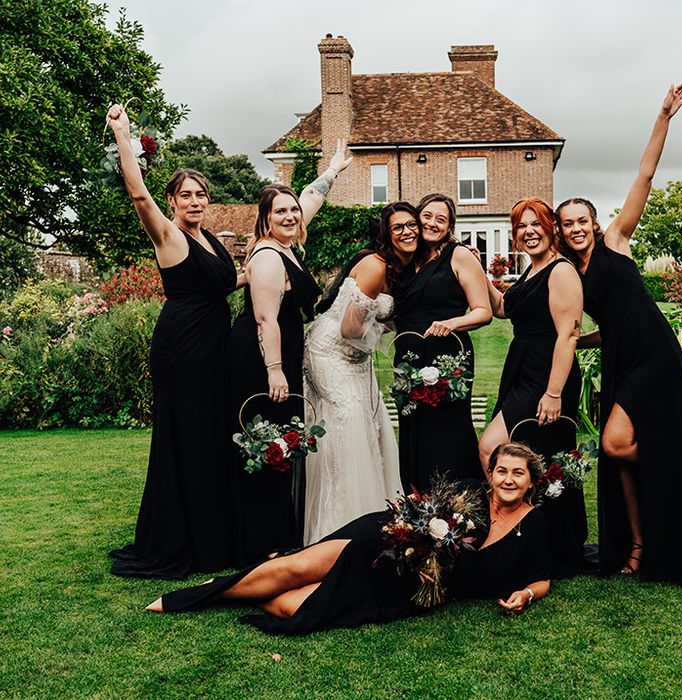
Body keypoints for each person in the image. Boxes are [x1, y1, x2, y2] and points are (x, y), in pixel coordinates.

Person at [555, 82, 682, 586]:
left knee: (615, 444)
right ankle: (638, 541)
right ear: (562, 231)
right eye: (568, 224)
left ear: (595, 221)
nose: (576, 229)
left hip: (655, 356)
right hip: (619, 359)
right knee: (620, 451)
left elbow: (645, 175)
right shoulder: (571, 275)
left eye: (581, 220)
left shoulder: (617, 242)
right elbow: (606, 329)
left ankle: (651, 530)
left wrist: (664, 117)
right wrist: (578, 341)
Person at [146, 441, 552, 636]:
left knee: (293, 603)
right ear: (491, 474)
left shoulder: (532, 525)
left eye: (518, 473)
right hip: (383, 542)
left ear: (531, 482)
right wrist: (410, 536)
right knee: (298, 566)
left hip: (410, 588)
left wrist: (526, 595)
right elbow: (418, 511)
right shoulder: (468, 494)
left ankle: (238, 587)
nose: (508, 480)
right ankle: (205, 593)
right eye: (502, 471)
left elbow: (541, 578)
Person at [105, 104, 238, 579]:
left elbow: (223, 283)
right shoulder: (169, 236)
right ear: (173, 200)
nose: (195, 201)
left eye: (201, 194)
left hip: (213, 348)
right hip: (182, 351)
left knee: (210, 439)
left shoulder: (212, 243)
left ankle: (209, 534)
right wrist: (124, 135)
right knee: (185, 438)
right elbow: (139, 196)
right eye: (186, 195)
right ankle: (179, 538)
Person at [226, 142, 352, 566]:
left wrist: (332, 169)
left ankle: (276, 531)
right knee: (268, 445)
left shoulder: (288, 245)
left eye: (292, 211)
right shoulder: (266, 256)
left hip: (275, 354)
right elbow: (266, 320)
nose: (290, 216)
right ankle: (260, 541)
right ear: (265, 218)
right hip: (261, 359)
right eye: (280, 211)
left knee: (282, 444)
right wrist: (275, 372)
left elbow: (310, 198)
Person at [478, 198, 592, 576]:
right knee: (532, 456)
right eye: (520, 226)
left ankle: (523, 530)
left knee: (494, 447)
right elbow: (503, 308)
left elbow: (568, 335)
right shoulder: (531, 271)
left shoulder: (560, 271)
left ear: (550, 228)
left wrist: (554, 392)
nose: (528, 231)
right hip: (522, 368)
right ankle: (529, 534)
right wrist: (472, 266)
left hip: (547, 372)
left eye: (535, 224)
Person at [303, 203, 420, 544]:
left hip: (355, 358)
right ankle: (337, 530)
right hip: (329, 352)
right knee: (348, 425)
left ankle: (375, 523)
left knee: (372, 426)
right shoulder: (375, 265)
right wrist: (390, 327)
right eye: (398, 227)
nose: (407, 232)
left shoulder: (404, 266)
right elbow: (350, 328)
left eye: (411, 224)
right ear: (387, 233)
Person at [393, 193, 492, 491]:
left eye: (441, 219)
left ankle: (459, 507)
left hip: (448, 357)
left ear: (450, 226)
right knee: (414, 431)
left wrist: (451, 324)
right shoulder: (407, 259)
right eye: (427, 216)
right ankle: (418, 508)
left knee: (446, 434)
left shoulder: (459, 255)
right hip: (408, 358)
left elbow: (484, 312)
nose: (432, 223)